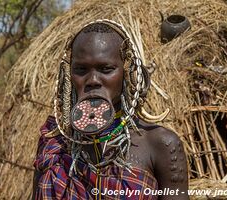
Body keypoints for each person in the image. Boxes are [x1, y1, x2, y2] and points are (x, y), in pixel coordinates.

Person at [33, 19, 188, 200]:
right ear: (68, 74)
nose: (93, 80)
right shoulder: (54, 144)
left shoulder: (160, 144)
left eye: (106, 69)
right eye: (81, 69)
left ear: (127, 72)